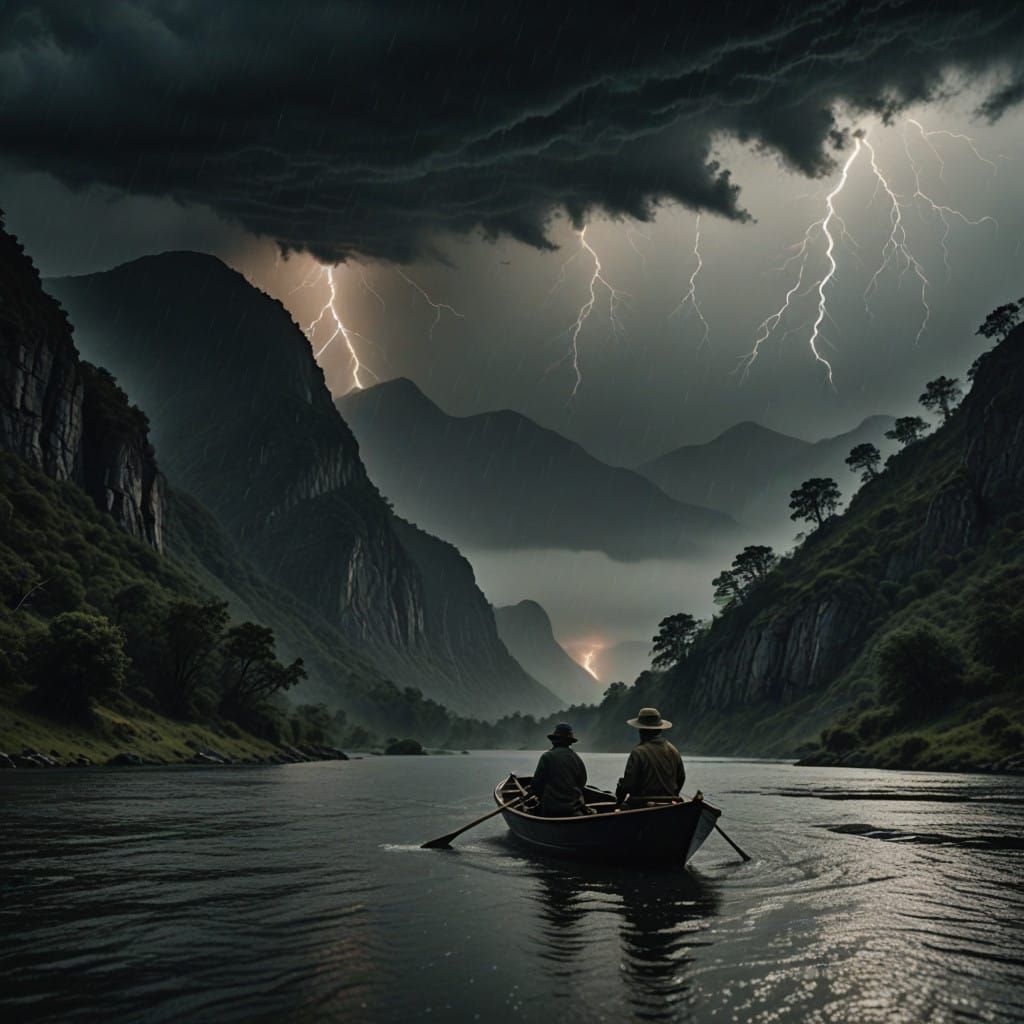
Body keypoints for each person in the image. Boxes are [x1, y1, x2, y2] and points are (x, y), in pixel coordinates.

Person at [615, 707, 685, 807]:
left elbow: (629, 785)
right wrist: (672, 795)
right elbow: (681, 778)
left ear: (642, 731)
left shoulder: (638, 753)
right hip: (670, 804)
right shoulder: (674, 751)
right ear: (660, 729)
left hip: (642, 805)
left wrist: (620, 796)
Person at [530, 723, 588, 816]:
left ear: (554, 741)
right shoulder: (576, 758)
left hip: (550, 810)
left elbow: (536, 786)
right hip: (574, 809)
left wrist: (540, 797)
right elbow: (582, 782)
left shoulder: (547, 757)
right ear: (569, 742)